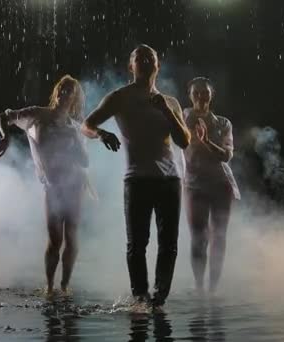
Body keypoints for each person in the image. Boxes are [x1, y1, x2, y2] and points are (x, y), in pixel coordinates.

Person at [81, 44, 191, 311]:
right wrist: (103, 134)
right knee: (137, 244)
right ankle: (140, 298)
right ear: (131, 66)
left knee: (169, 244)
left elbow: (184, 141)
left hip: (169, 180)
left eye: (149, 57)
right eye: (138, 58)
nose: (144, 61)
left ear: (157, 65)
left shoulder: (170, 102)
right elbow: (87, 125)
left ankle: (159, 298)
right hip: (137, 179)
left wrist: (166, 110)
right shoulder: (119, 97)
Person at [0, 75, 88, 296]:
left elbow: (84, 162)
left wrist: (75, 138)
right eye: (62, 90)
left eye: (70, 92)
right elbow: (3, 116)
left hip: (75, 184)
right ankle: (49, 286)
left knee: (72, 236)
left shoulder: (74, 126)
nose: (65, 94)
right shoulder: (38, 115)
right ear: (56, 92)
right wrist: (5, 136)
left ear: (74, 99)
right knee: (55, 239)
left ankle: (64, 286)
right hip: (53, 186)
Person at [182, 77, 240, 294]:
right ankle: (199, 289)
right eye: (196, 92)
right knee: (198, 237)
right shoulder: (181, 118)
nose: (200, 96)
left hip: (220, 184)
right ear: (190, 95)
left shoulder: (223, 123)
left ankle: (213, 289)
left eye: (204, 92)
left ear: (211, 95)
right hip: (194, 184)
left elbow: (226, 156)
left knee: (219, 236)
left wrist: (206, 141)